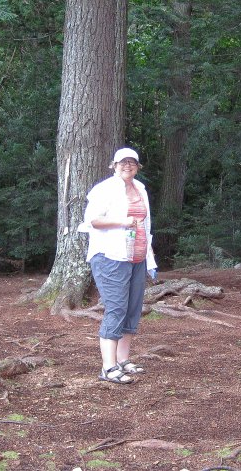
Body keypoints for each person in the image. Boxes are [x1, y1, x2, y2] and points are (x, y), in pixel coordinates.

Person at [77, 147, 158, 385]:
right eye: (123, 162)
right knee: (116, 308)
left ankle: (123, 360)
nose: (128, 166)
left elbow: (145, 225)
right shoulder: (104, 189)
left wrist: (149, 255)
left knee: (132, 308)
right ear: (114, 165)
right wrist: (123, 222)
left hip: (137, 256)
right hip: (110, 256)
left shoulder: (140, 188)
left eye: (132, 162)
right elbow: (92, 220)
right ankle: (108, 367)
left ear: (138, 166)